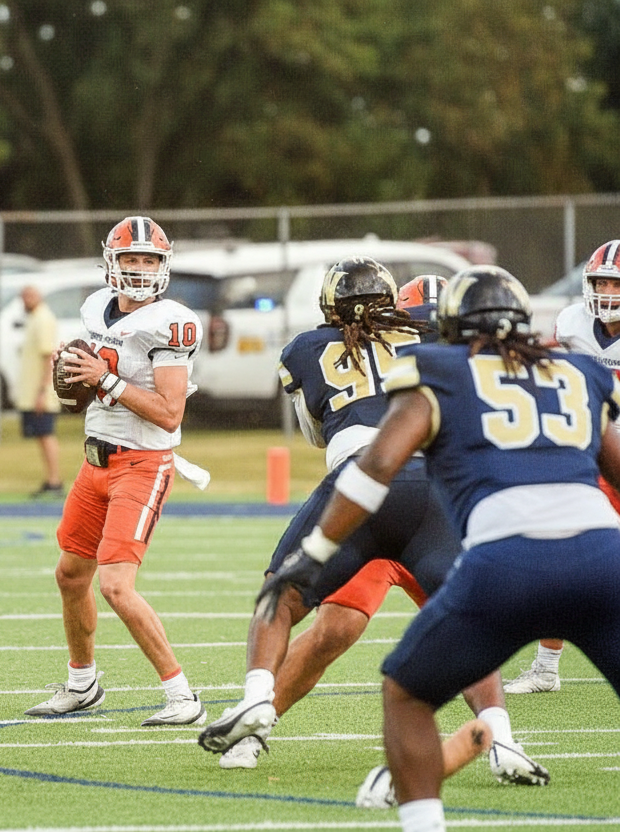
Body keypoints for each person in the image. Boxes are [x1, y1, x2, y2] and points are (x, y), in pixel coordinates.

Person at [256, 265, 620, 832]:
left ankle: (424, 820)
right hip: (600, 556)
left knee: (405, 694)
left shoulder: (439, 371)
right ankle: (499, 736)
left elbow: (377, 464)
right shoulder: (577, 370)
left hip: (503, 556)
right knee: (341, 628)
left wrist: (317, 547)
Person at [198, 261, 544, 787]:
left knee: (280, 596)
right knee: (451, 621)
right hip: (430, 492)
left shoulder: (305, 349)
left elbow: (318, 433)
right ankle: (504, 739)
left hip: (361, 485)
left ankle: (255, 699)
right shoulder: (431, 346)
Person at [24, 216, 207, 726]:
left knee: (116, 586)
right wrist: (76, 381)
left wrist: (104, 379)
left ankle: (182, 696)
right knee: (70, 575)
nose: (140, 268)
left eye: (149, 260)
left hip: (142, 464)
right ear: (112, 262)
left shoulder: (171, 322)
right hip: (95, 461)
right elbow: (89, 387)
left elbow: (169, 412)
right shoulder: (95, 309)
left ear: (163, 266)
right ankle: (82, 684)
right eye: (131, 258)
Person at [504, 240, 620, 695]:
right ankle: (546, 668)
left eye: (615, 284)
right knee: (565, 554)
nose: (607, 293)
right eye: (601, 283)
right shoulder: (573, 323)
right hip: (593, 455)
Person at [16, 284, 64, 498]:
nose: (25, 300)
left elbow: (48, 357)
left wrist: (43, 391)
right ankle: (50, 479)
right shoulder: (34, 318)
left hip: (42, 392)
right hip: (33, 391)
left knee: (46, 435)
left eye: (29, 296)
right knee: (41, 436)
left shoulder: (43, 319)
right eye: (23, 296)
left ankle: (55, 481)